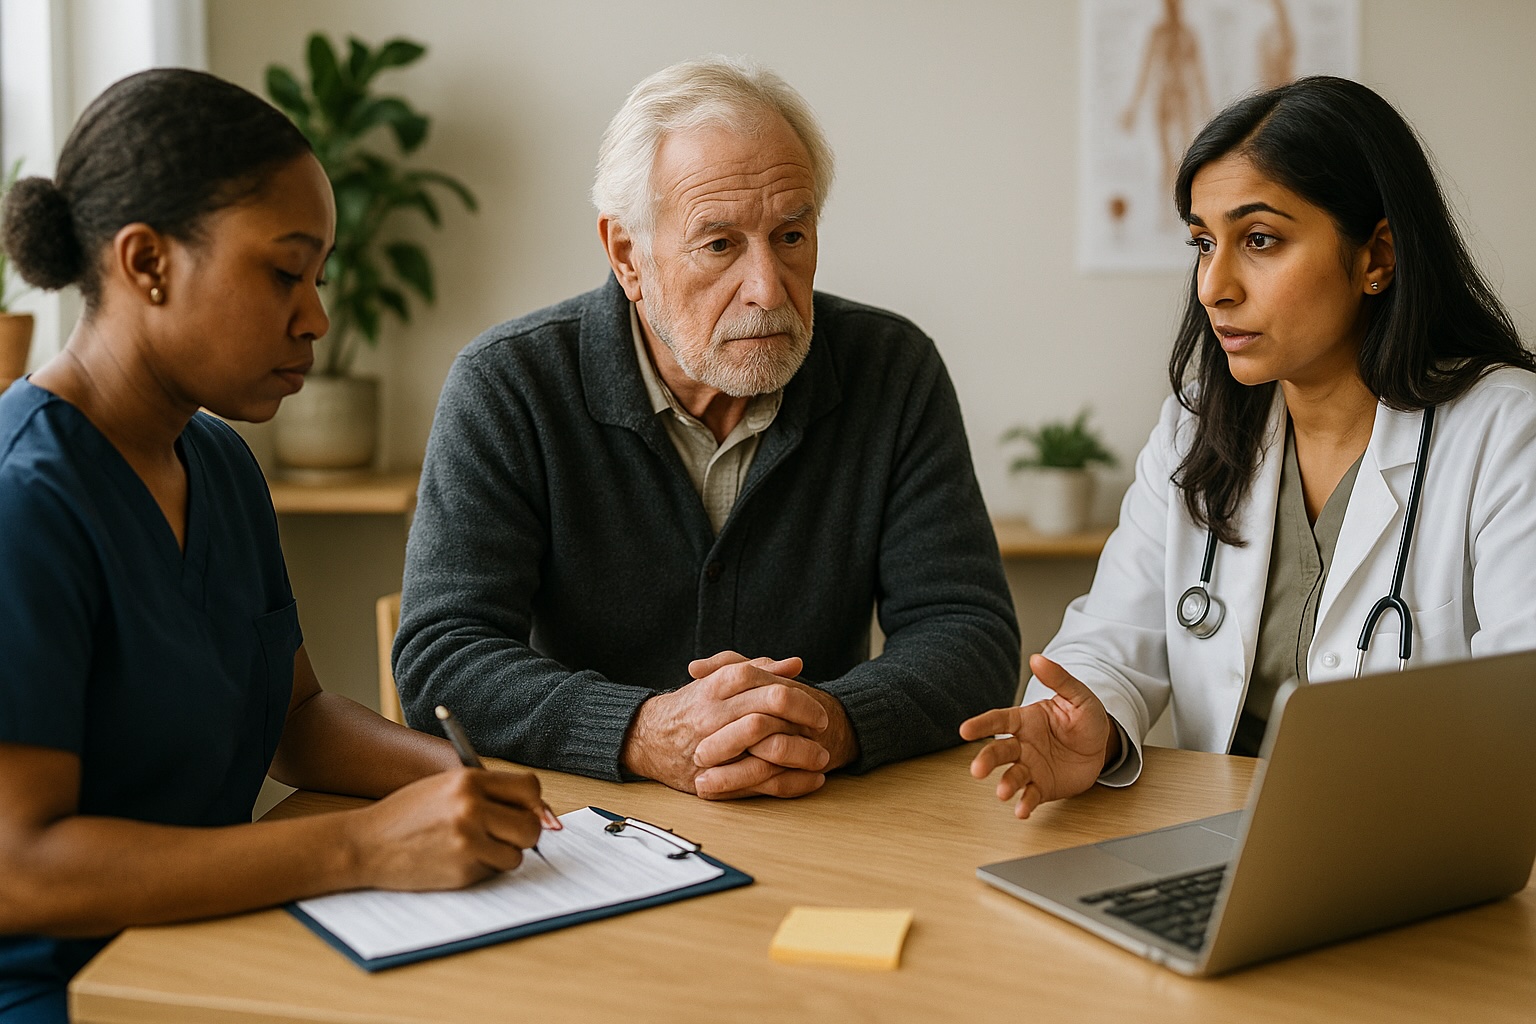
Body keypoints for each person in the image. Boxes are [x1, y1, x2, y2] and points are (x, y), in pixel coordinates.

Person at [0, 70, 552, 1022]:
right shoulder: (24, 504)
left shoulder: (215, 461)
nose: (317, 318)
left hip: (222, 949)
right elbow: (19, 869)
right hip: (74, 995)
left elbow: (293, 717)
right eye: (284, 272)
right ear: (147, 263)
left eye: (321, 276)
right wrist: (365, 846)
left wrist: (451, 775)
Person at [395, 56, 1020, 801]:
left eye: (791, 236)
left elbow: (969, 632)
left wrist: (833, 719)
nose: (766, 287)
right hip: (589, 825)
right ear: (628, 255)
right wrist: (643, 730)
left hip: (824, 814)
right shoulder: (508, 384)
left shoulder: (892, 368)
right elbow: (443, 658)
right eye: (719, 244)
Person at [963, 76, 1536, 818]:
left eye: (1259, 239)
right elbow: (1112, 637)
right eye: (1204, 242)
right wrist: (1086, 726)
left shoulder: (1505, 432)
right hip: (1221, 843)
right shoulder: (1197, 425)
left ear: (1377, 257)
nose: (1213, 285)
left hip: (1411, 852)